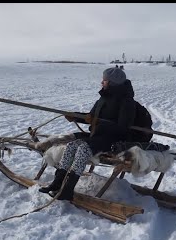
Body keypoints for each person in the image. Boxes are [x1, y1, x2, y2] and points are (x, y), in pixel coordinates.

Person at [39, 67, 136, 201]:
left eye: (105, 80)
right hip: (97, 136)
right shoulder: (103, 98)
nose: (102, 82)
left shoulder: (127, 101)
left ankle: (67, 191)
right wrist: (75, 116)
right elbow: (90, 116)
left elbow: (123, 127)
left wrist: (99, 122)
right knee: (71, 146)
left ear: (112, 82)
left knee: (83, 149)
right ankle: (57, 183)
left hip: (114, 140)